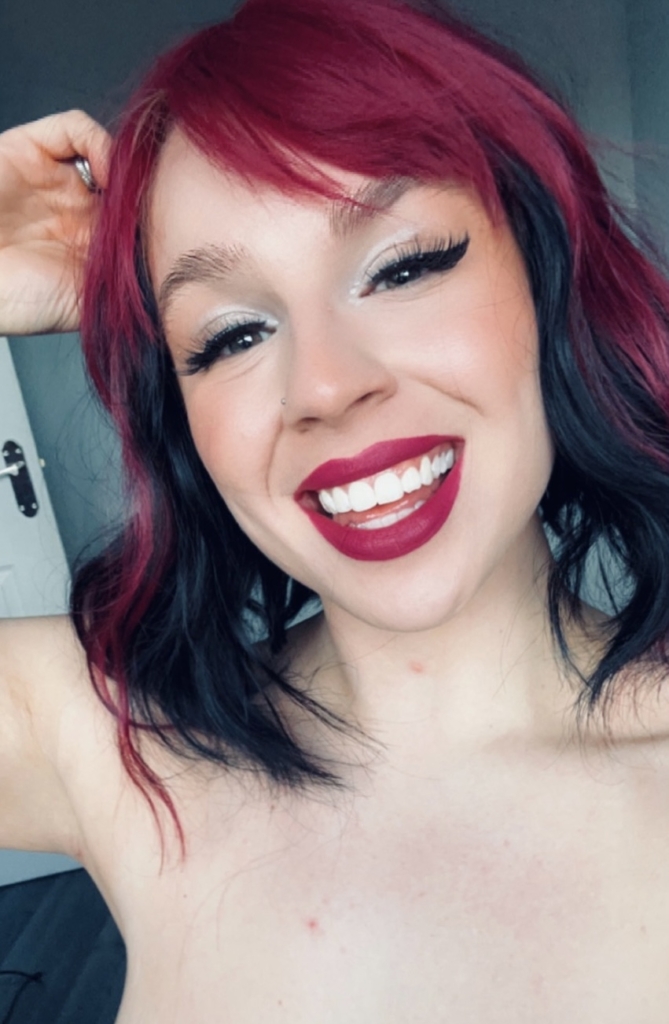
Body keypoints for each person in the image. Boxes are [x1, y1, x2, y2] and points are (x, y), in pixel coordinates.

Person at [1, 0, 669, 1019]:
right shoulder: (113, 740)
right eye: (230, 336)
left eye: (403, 267)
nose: (323, 384)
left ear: (546, 278)